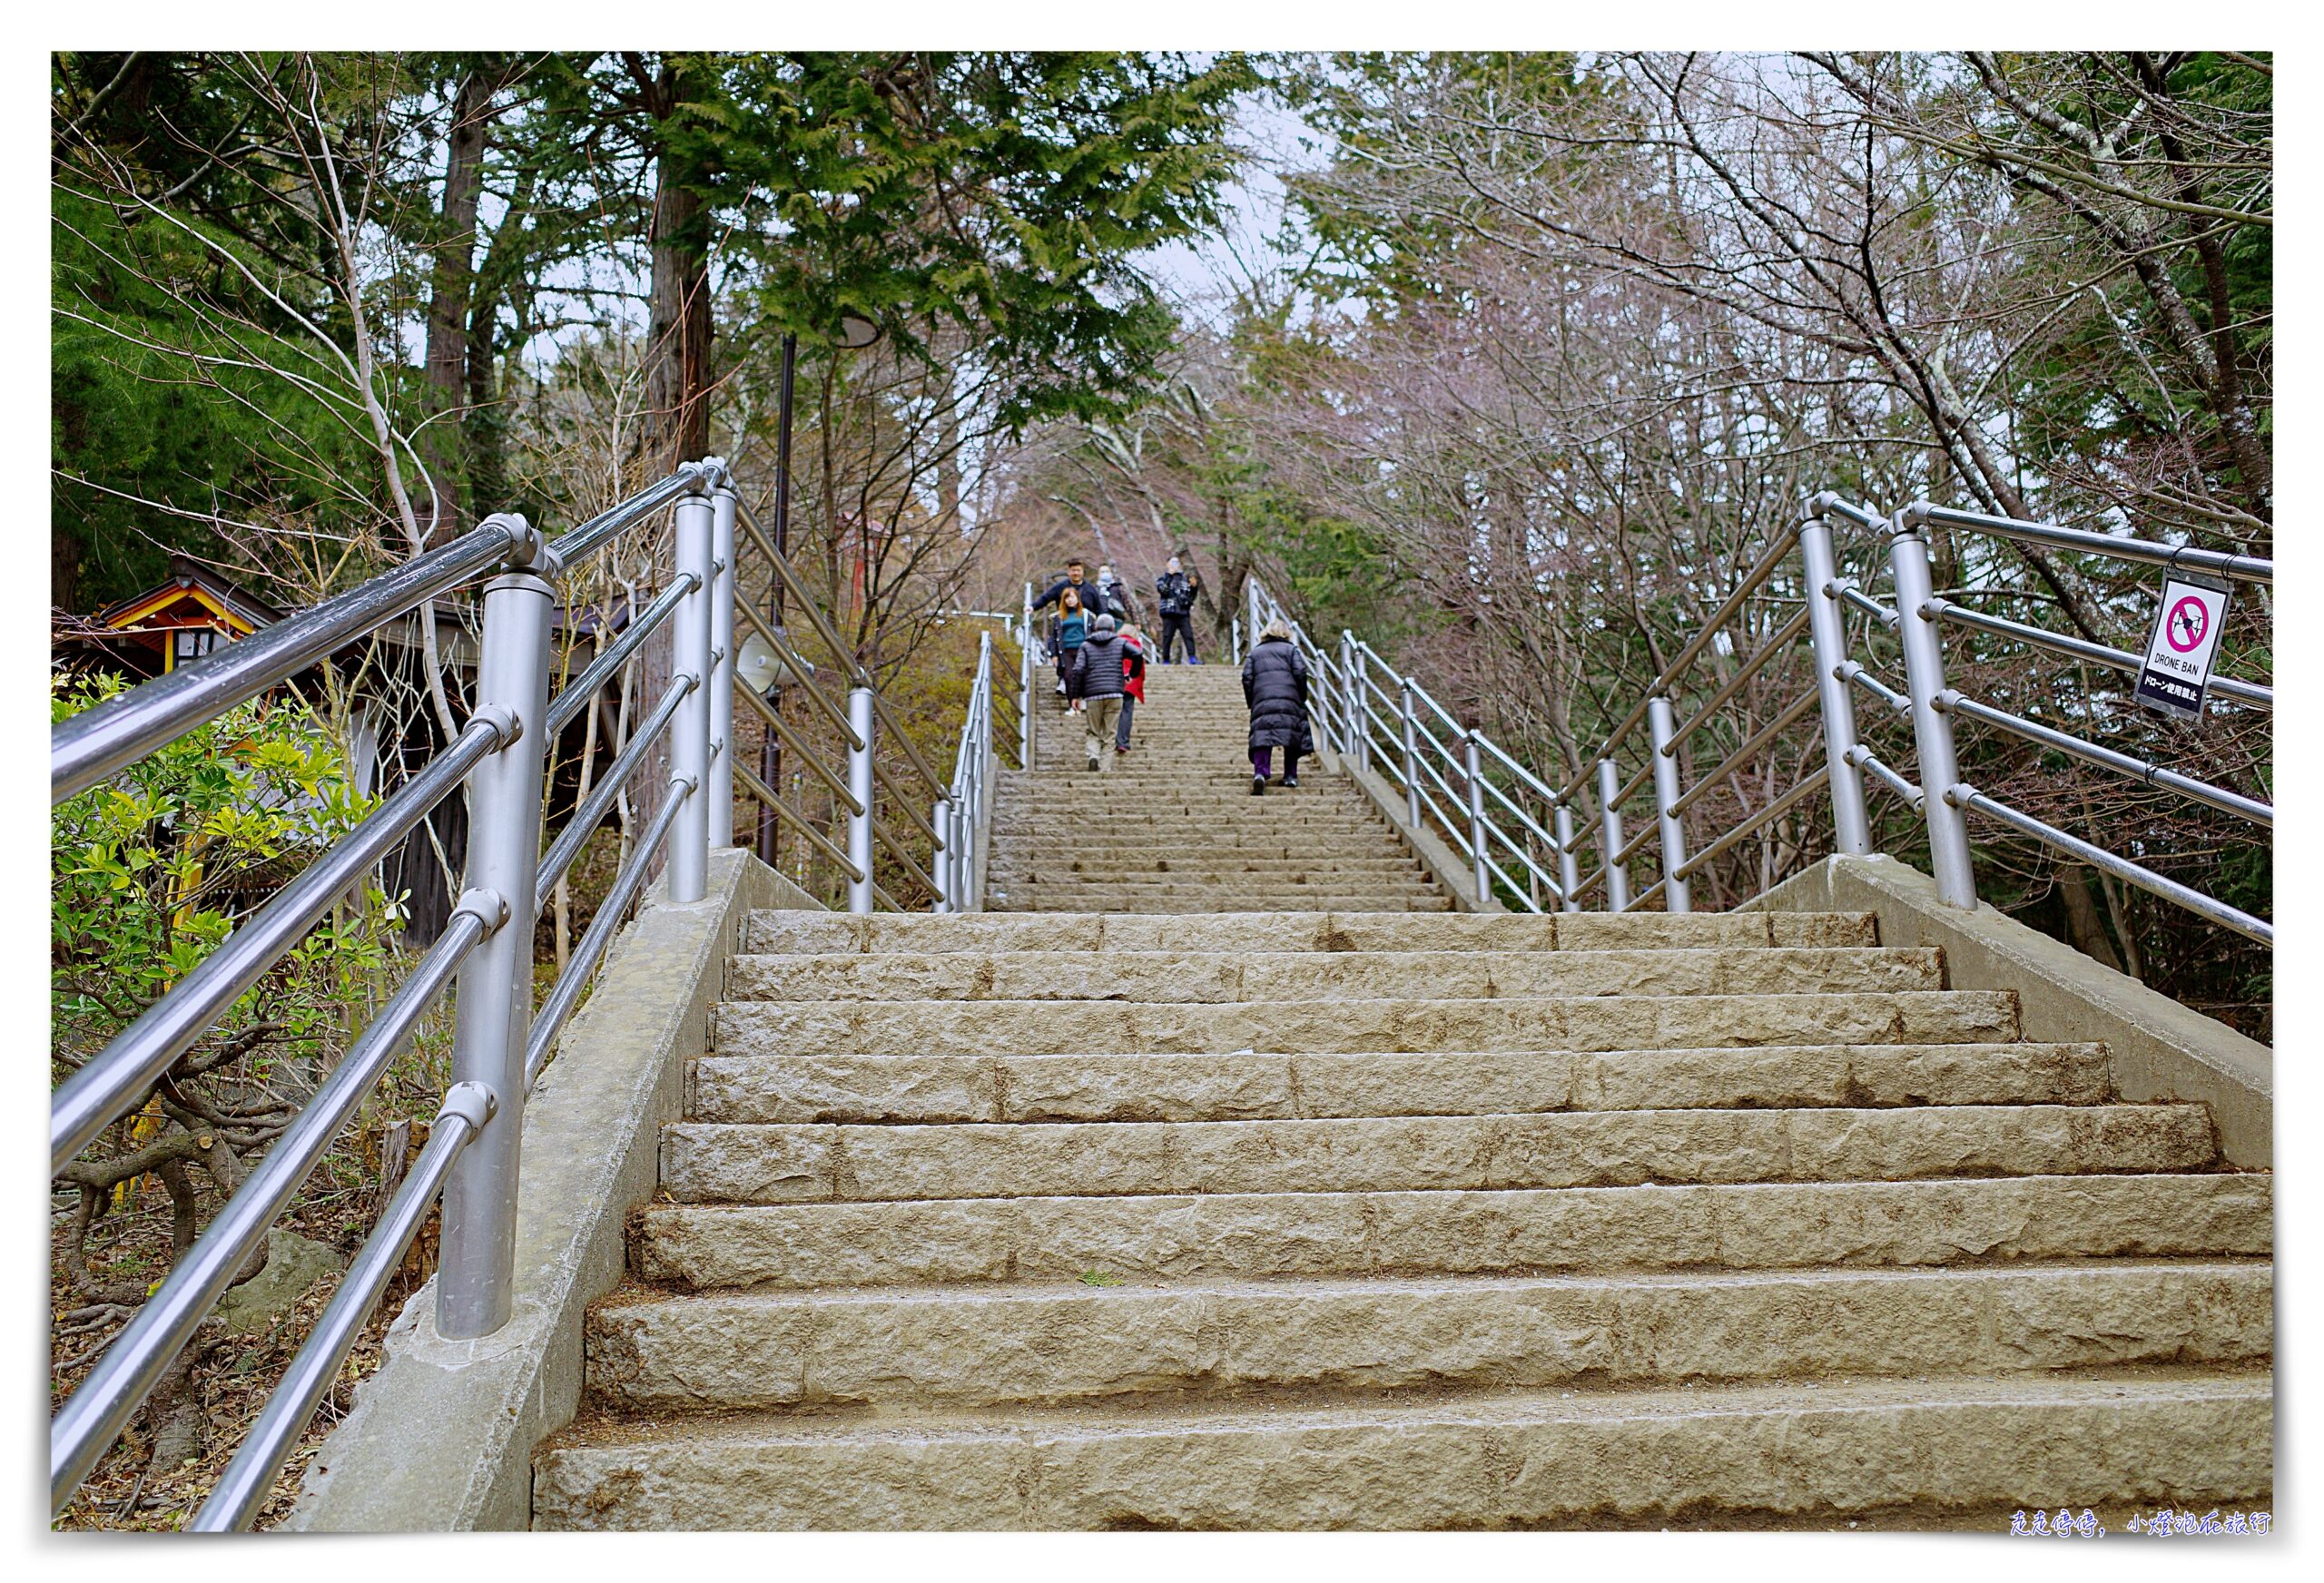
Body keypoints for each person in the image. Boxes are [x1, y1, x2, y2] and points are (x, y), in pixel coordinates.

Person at [1241, 616, 1311, 794]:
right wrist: (1301, 696)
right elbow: (1300, 672)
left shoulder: (1255, 653)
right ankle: (1290, 776)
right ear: (1286, 634)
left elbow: (1247, 678)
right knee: (1291, 736)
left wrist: (1252, 700)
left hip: (1262, 699)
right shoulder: (1291, 650)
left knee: (1262, 736)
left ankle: (1260, 773)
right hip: (1289, 698)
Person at [1069, 613, 1130, 772]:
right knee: (1110, 733)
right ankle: (1105, 769)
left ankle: (1093, 755)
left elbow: (1078, 670)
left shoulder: (1086, 645)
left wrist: (1075, 695)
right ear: (1112, 628)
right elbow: (1137, 653)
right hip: (1115, 693)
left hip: (1093, 694)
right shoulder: (1120, 642)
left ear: (1095, 628)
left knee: (1093, 730)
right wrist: (1132, 674)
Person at [1154, 555, 1203, 664]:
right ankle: (1166, 659)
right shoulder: (1162, 579)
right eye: (1172, 563)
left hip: (1183, 612)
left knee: (1188, 634)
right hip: (1168, 611)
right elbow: (1163, 591)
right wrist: (1169, 576)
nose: (1175, 565)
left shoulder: (1185, 579)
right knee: (1167, 636)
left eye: (1176, 563)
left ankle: (1192, 657)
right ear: (1167, 565)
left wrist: (1194, 588)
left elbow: (1191, 597)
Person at [1052, 585, 1090, 706]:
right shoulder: (1059, 617)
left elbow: (1092, 632)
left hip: (1083, 649)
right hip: (1066, 650)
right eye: (1067, 598)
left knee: (1082, 674)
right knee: (1068, 676)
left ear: (1077, 598)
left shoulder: (1086, 614)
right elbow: (1053, 637)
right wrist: (1054, 654)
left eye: (1072, 597)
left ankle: (1083, 699)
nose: (1070, 600)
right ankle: (1072, 704)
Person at [1116, 622, 1148, 753]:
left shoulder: (1114, 644)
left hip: (1114, 681)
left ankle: (1108, 739)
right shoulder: (1135, 645)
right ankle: (1123, 742)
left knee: (1113, 711)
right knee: (1126, 711)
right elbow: (1140, 667)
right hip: (1130, 682)